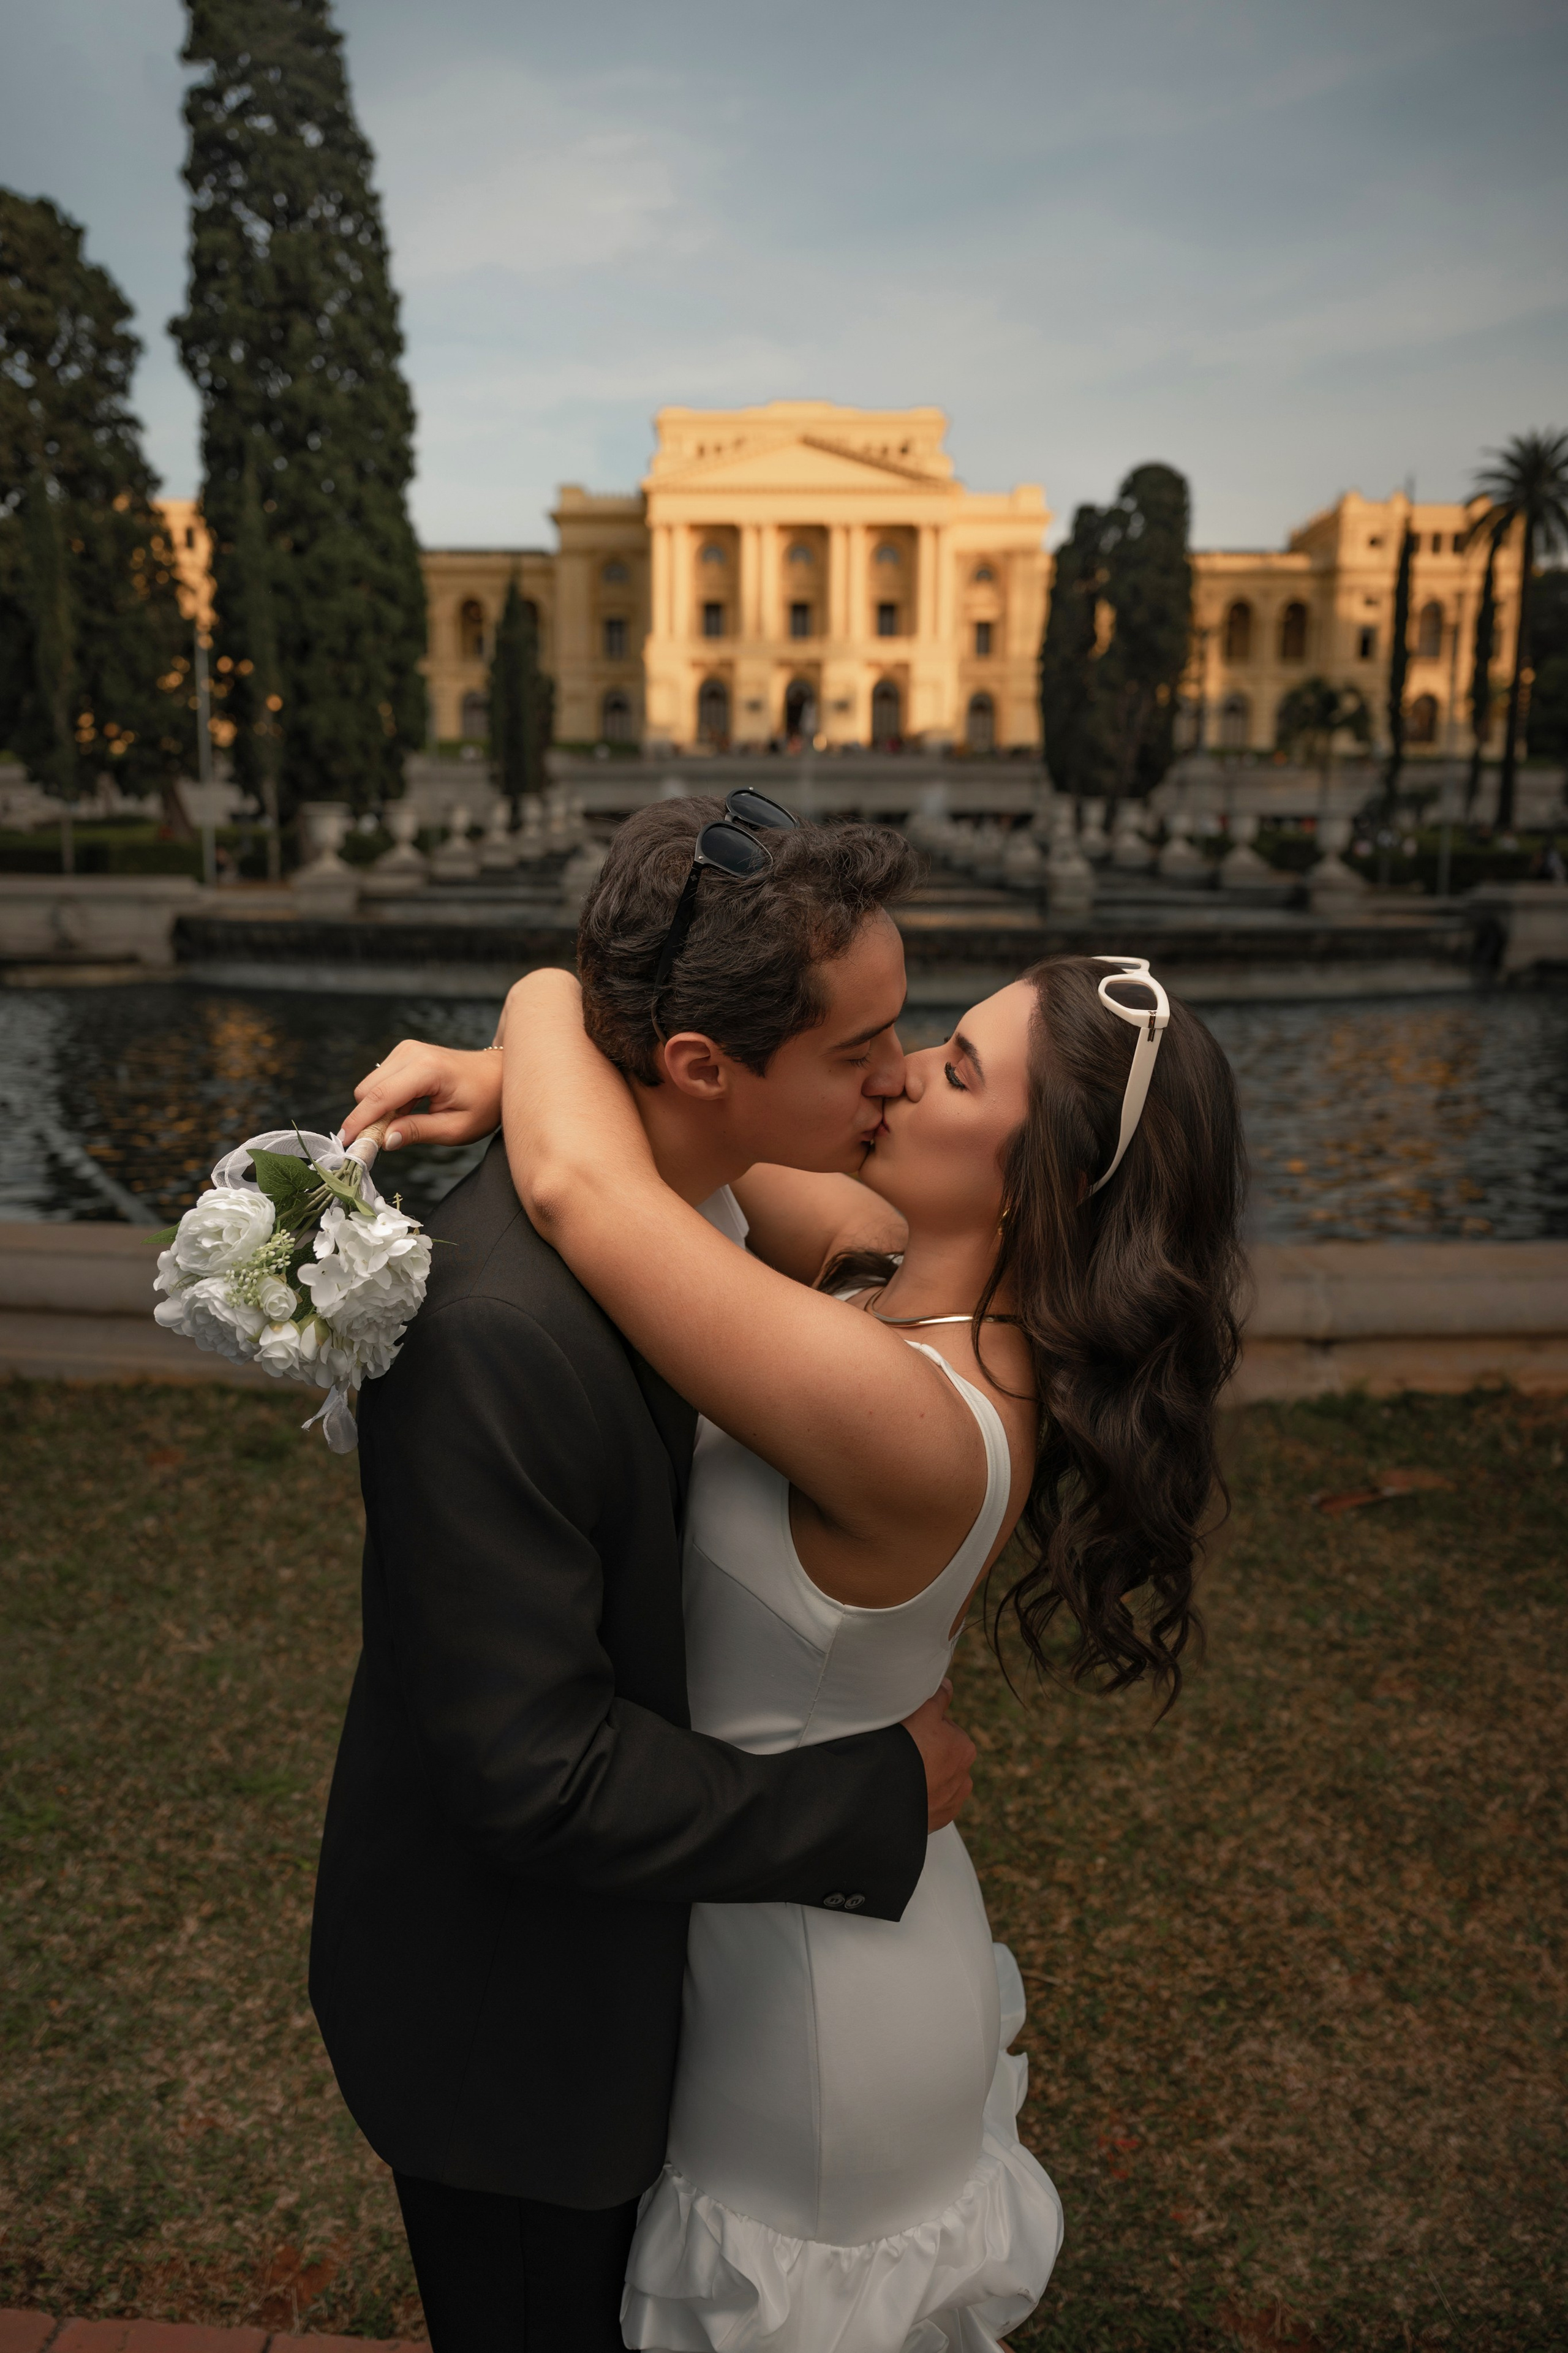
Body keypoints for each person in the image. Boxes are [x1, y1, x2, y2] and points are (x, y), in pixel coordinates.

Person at [347, 801, 1247, 2352]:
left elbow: (588, 1191)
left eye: (953, 1068)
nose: (898, 1074)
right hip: (789, 1912)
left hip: (816, 1980)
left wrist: (545, 1003)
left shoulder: (904, 1412)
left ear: (1035, 1177)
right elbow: (680, 1136)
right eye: (909, 1044)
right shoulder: (882, 1268)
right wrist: (539, 1072)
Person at [315, 796, 978, 2353]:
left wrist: (522, 1034)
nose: (893, 1077)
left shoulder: (700, 1204)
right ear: (698, 1066)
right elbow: (535, 1778)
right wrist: (875, 1797)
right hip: (515, 2044)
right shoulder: (491, 1333)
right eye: (857, 1048)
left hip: (640, 1988)